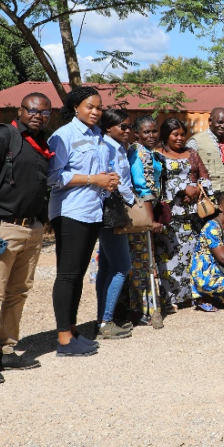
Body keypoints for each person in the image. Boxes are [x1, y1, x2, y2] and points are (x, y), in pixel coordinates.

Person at [0, 92, 53, 383]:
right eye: (32, 110)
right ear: (20, 110)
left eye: (44, 112)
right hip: (3, 229)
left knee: (18, 292)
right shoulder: (3, 137)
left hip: (32, 229)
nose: (38, 115)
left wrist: (42, 221)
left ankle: (5, 350)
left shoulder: (41, 143)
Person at [47, 87, 118, 357]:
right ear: (76, 107)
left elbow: (96, 171)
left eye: (99, 108)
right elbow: (53, 177)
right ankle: (63, 339)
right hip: (70, 212)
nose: (96, 112)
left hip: (92, 210)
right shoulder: (62, 136)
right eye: (90, 106)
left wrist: (108, 180)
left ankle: (72, 329)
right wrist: (93, 180)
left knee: (77, 275)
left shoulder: (99, 136)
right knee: (67, 275)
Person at [155, 118, 213, 310]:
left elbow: (205, 177)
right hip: (170, 214)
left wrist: (196, 188)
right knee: (169, 256)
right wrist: (181, 189)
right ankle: (170, 298)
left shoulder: (192, 154)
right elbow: (156, 183)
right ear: (166, 135)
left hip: (192, 214)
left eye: (182, 134)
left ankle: (189, 295)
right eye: (175, 134)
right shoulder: (157, 154)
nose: (180, 138)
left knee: (191, 254)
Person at [95, 108, 135, 340]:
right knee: (122, 267)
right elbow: (117, 182)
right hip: (111, 212)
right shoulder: (107, 148)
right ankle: (106, 321)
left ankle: (103, 320)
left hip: (109, 211)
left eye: (129, 126)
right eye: (123, 126)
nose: (128, 131)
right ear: (108, 127)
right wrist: (134, 202)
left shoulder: (118, 147)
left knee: (107, 268)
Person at [126, 115, 165, 328]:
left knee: (144, 260)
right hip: (141, 212)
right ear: (137, 134)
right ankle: (144, 309)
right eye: (146, 132)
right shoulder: (139, 153)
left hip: (149, 209)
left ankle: (148, 306)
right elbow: (143, 188)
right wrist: (150, 220)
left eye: (154, 131)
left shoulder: (150, 153)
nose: (151, 136)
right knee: (142, 261)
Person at [187, 107, 224, 197]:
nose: (223, 126)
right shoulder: (196, 142)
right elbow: (187, 171)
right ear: (210, 121)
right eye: (219, 122)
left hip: (223, 201)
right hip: (204, 199)